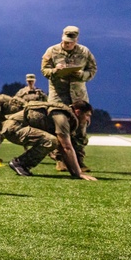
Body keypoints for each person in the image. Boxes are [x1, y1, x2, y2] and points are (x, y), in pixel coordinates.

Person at [41, 26, 97, 172]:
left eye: (70, 42)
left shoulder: (85, 52)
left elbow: (92, 69)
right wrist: (55, 71)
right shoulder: (51, 51)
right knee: (59, 128)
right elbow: (44, 70)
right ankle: (60, 160)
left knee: (80, 129)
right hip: (58, 96)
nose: (68, 45)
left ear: (76, 40)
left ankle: (79, 161)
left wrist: (82, 75)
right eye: (65, 42)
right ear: (62, 38)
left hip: (78, 96)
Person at [0, 100, 96, 180]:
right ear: (78, 112)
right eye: (88, 115)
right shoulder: (62, 117)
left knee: (54, 141)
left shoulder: (67, 116)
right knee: (51, 141)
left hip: (17, 127)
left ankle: (21, 164)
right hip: (13, 128)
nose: (88, 120)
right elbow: (66, 147)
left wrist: (74, 173)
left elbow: (64, 149)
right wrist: (79, 173)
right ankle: (20, 163)